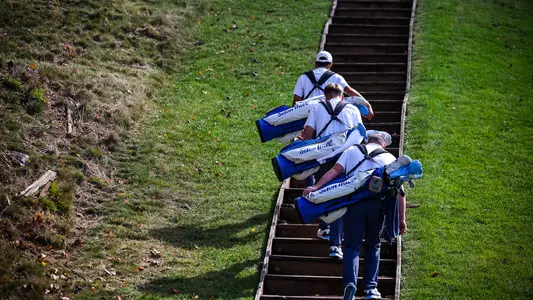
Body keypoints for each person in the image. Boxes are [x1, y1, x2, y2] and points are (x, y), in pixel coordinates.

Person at [303, 131, 407, 299]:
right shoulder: (390, 159)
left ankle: (350, 283)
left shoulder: (352, 151)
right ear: (384, 144)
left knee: (352, 246)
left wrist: (317, 187)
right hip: (377, 205)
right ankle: (370, 289)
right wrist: (401, 220)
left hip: (353, 204)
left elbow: (334, 171)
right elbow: (400, 192)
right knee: (373, 245)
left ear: (366, 140)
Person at [301, 82, 366, 259]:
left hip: (323, 158)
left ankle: (325, 228)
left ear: (325, 95)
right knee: (340, 198)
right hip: (347, 159)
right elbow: (361, 137)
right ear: (342, 96)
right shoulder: (352, 109)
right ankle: (335, 244)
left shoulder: (317, 107)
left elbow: (308, 135)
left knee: (325, 192)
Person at [292, 50, 374, 120]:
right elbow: (349, 91)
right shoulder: (336, 77)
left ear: (316, 63)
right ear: (330, 64)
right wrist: (367, 104)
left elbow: (296, 100)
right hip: (328, 116)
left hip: (308, 116)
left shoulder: (303, 77)